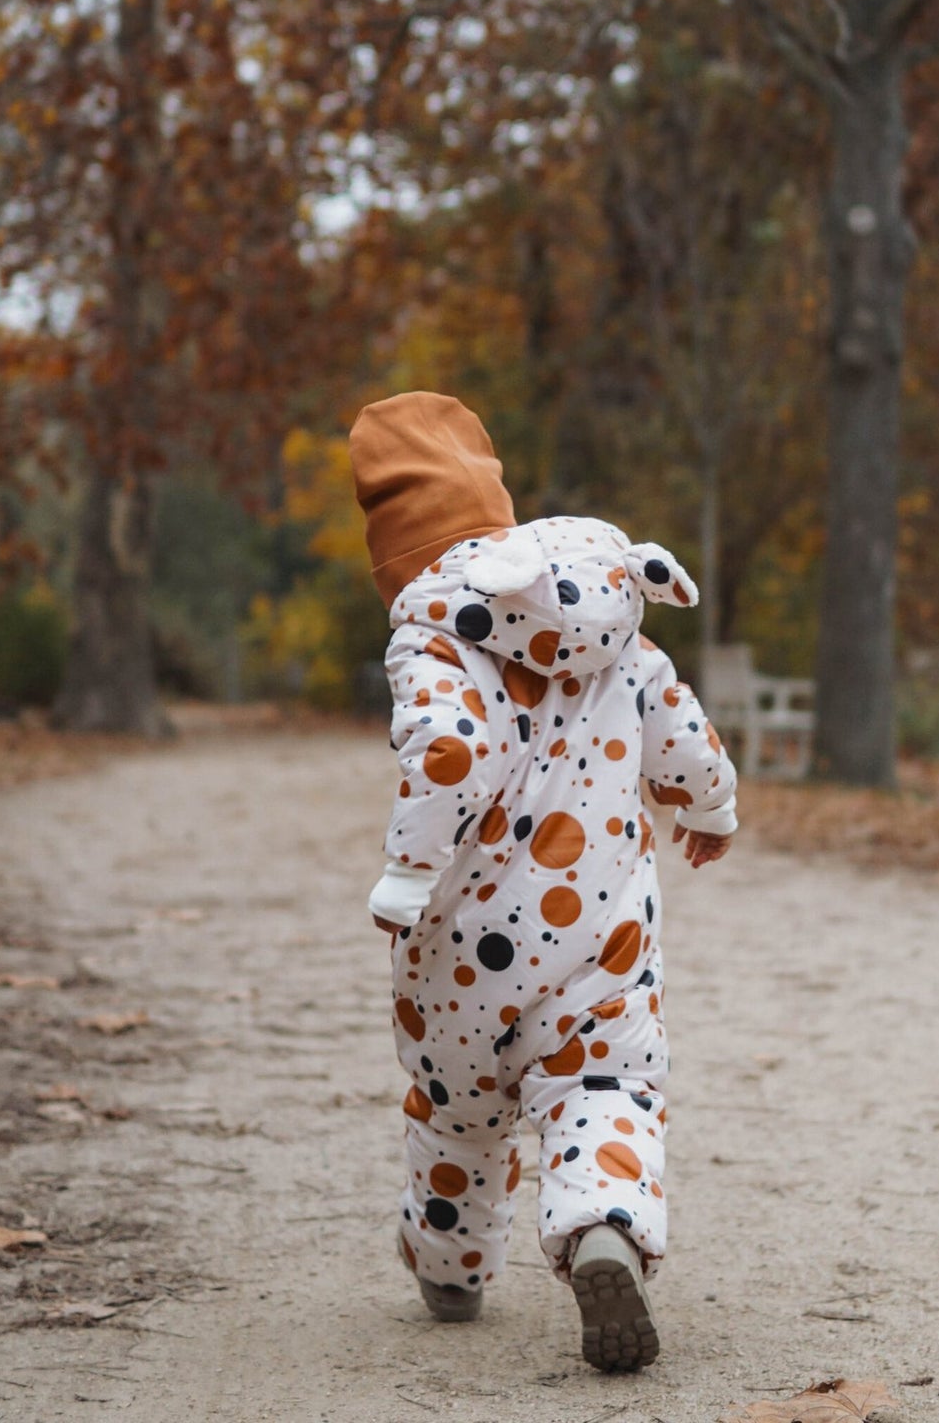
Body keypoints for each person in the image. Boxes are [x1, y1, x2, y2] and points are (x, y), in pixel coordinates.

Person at [349, 391, 738, 1374]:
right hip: (601, 945)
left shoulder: (432, 634)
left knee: (457, 1110)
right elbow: (683, 737)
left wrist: (406, 869)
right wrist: (711, 811)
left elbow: (446, 751)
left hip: (465, 951)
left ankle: (449, 1264)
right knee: (607, 1088)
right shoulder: (617, 626)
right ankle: (603, 1223)